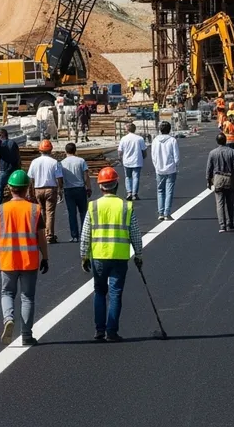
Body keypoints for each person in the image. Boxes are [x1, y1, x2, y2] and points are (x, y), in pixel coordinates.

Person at [80, 166, 143, 342]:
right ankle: (112, 331)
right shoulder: (126, 206)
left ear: (100, 186)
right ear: (116, 185)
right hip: (120, 257)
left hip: (99, 256)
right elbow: (135, 234)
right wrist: (138, 254)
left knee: (99, 292)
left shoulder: (93, 206)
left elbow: (86, 234)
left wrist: (84, 255)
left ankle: (99, 330)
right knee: (115, 293)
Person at [0, 169, 48, 346]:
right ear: (28, 187)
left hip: (8, 261)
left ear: (9, 188)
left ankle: (8, 318)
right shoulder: (35, 210)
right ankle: (27, 336)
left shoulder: (0, 210)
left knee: (7, 293)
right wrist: (45, 257)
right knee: (27, 297)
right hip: (29, 260)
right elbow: (41, 237)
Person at [27, 140, 63, 243]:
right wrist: (60, 190)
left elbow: (30, 179)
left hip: (38, 189)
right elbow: (59, 178)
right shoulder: (54, 162)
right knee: (50, 212)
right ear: (50, 150)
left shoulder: (34, 162)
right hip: (51, 189)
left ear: (40, 150)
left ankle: (42, 234)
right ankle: (49, 235)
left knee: (41, 212)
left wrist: (30, 192)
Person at [206, 133, 234, 233]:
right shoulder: (232, 152)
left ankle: (222, 225)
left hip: (218, 179)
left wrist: (208, 180)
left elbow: (209, 169)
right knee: (230, 203)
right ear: (226, 140)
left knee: (219, 203)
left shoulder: (212, 153)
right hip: (229, 179)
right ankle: (230, 223)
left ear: (217, 141)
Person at [61, 142, 91, 243]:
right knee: (83, 212)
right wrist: (89, 187)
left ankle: (74, 236)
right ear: (75, 151)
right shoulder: (81, 161)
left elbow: (60, 178)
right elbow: (86, 175)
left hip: (68, 189)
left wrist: (60, 189)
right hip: (80, 188)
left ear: (65, 151)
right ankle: (84, 234)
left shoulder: (62, 163)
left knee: (71, 213)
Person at [151, 121, 180, 221]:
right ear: (169, 129)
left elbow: (153, 156)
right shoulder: (172, 140)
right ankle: (167, 213)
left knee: (160, 191)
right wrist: (176, 167)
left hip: (159, 169)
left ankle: (160, 212)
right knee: (169, 191)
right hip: (170, 169)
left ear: (160, 130)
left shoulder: (155, 140)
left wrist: (156, 166)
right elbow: (176, 156)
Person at [117, 122, 147, 201]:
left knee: (128, 177)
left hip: (127, 161)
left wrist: (120, 158)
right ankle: (134, 194)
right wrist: (143, 157)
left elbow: (120, 151)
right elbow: (144, 150)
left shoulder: (124, 138)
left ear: (127, 129)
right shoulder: (139, 139)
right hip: (137, 160)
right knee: (136, 177)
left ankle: (129, 192)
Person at [0, 129, 21, 206]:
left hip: (4, 169)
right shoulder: (13, 143)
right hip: (14, 168)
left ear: (2, 135)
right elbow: (18, 156)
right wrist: (19, 168)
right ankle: (15, 205)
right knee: (15, 188)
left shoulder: (0, 144)